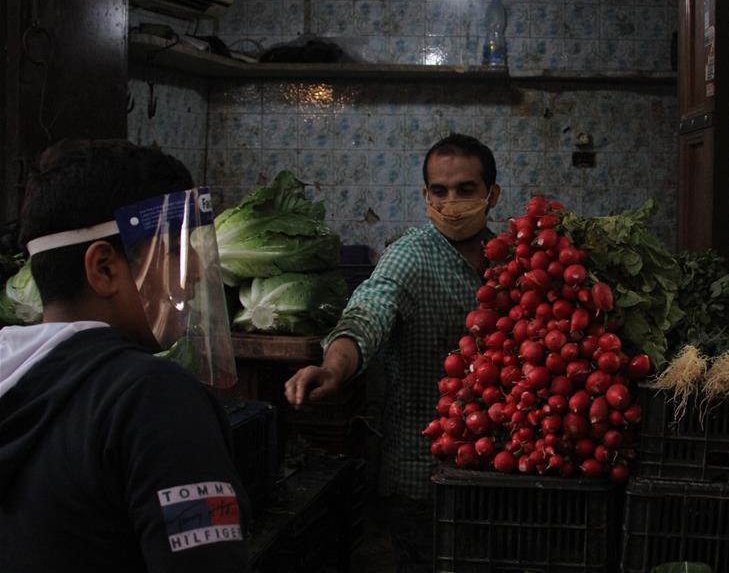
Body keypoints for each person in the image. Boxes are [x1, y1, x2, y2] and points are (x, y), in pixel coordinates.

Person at [0, 140, 251, 573]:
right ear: (104, 268)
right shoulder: (154, 400)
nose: (193, 269)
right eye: (174, 250)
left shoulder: (16, 373)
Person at [284, 133, 501, 570]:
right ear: (425, 196)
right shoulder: (410, 256)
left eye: (465, 190)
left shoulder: (511, 260)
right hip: (422, 472)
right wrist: (334, 368)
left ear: (491, 195)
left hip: (494, 465)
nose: (451, 201)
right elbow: (367, 313)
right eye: (439, 191)